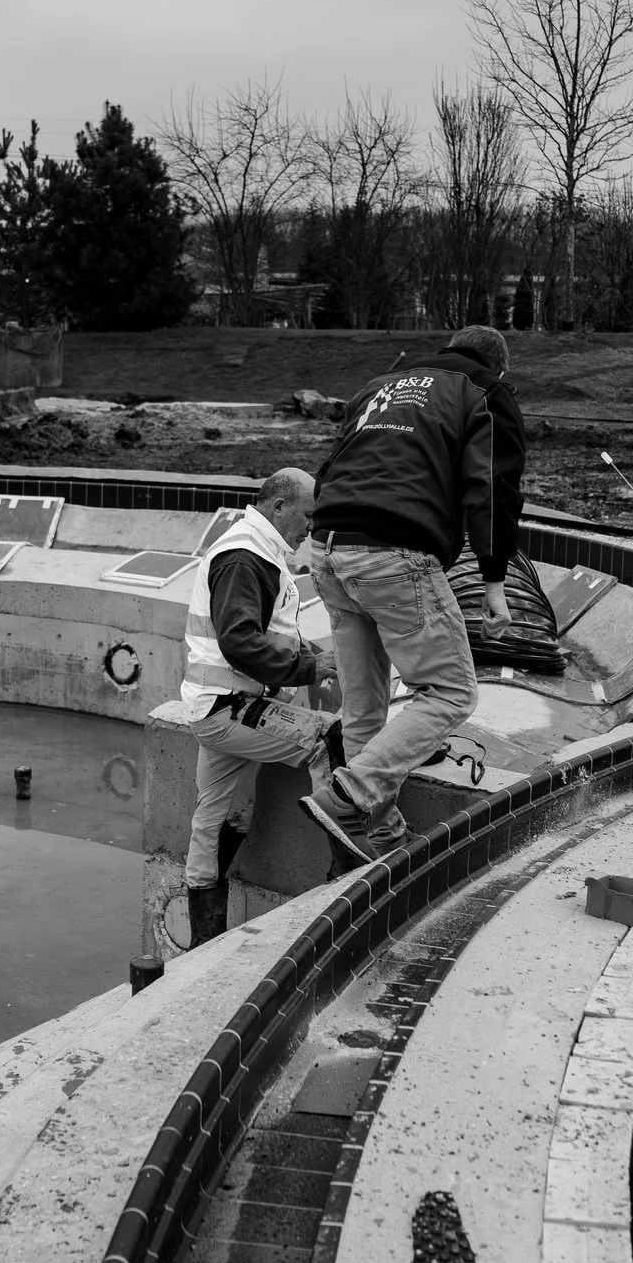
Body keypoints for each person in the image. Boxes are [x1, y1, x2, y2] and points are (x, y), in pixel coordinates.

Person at [301, 324, 522, 861]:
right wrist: (494, 581)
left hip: (327, 548)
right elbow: (491, 488)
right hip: (393, 553)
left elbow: (333, 467)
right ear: (498, 366)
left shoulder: (381, 386)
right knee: (451, 693)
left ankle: (384, 839)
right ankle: (349, 793)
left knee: (363, 706)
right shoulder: (485, 392)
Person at [173, 468, 340, 946]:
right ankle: (347, 872)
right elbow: (241, 641)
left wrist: (312, 659)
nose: (311, 526)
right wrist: (309, 669)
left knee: (223, 816)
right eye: (308, 515)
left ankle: (203, 946)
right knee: (328, 740)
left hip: (224, 704)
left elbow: (272, 633)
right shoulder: (246, 557)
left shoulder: (260, 551)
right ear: (280, 506)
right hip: (228, 709)